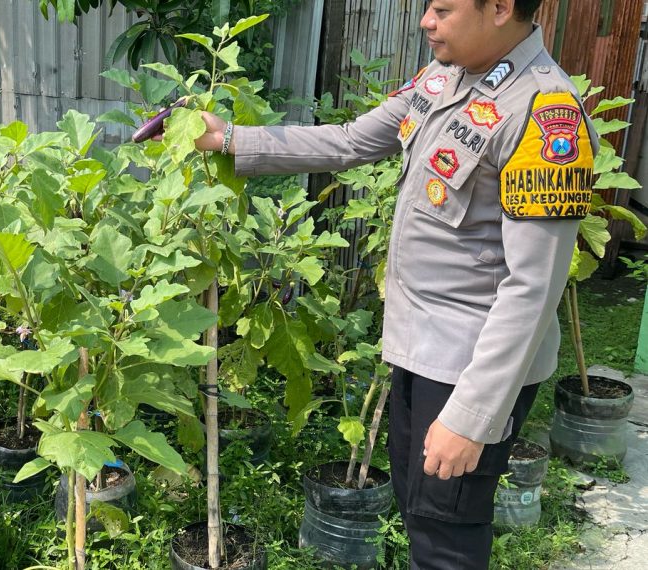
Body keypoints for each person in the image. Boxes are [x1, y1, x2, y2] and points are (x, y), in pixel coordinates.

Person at [188, 1, 594, 567]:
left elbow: (534, 288)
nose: (426, 21)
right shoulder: (445, 75)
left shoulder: (545, 115)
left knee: (445, 534)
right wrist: (230, 137)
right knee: (419, 511)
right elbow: (352, 141)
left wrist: (471, 416)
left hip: (469, 367)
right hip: (420, 349)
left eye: (443, 9)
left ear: (501, 8)